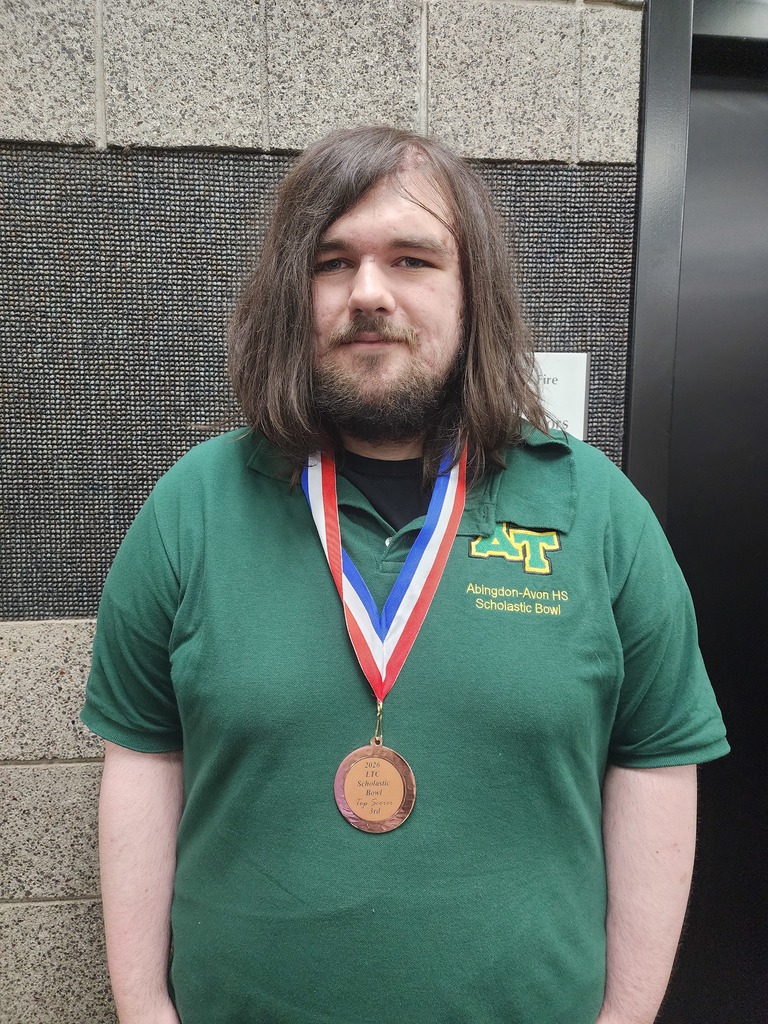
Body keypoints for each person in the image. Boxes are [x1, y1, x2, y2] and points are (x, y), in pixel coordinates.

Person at [82, 125, 728, 1024]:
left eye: (413, 259)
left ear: (473, 296)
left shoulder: (597, 510)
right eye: (333, 261)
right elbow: (143, 756)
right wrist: (143, 1007)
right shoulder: (195, 505)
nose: (369, 293)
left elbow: (656, 764)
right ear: (292, 295)